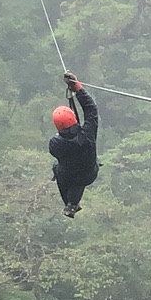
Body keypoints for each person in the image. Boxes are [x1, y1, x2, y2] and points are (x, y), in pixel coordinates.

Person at [49, 72, 99, 217]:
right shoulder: (88, 135)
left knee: (57, 169)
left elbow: (60, 145)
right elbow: (91, 109)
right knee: (79, 177)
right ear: (73, 120)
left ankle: (70, 204)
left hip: (68, 176)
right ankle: (72, 203)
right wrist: (77, 88)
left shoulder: (55, 144)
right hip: (89, 173)